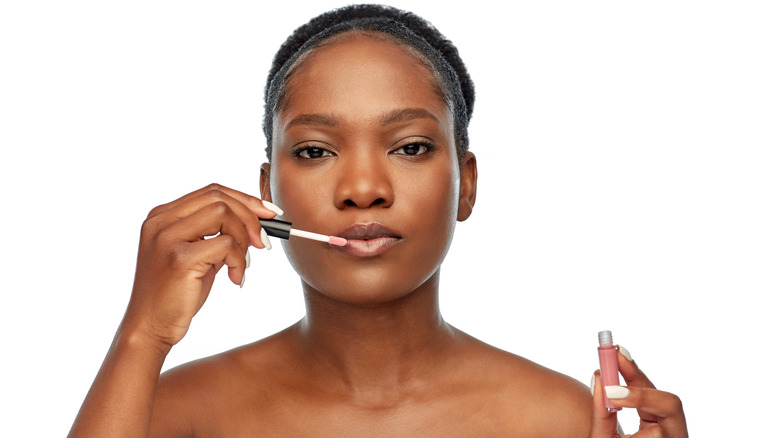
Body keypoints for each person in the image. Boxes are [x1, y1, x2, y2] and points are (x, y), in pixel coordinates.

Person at [68, 4, 687, 437]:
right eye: (315, 151)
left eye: (410, 147)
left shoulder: (566, 421)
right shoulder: (171, 411)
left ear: (466, 185)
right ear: (267, 193)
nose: (363, 189)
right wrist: (141, 337)